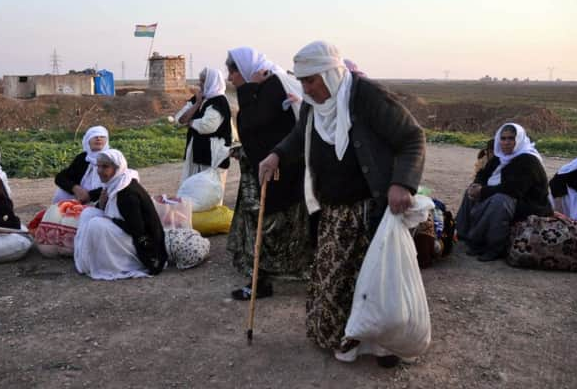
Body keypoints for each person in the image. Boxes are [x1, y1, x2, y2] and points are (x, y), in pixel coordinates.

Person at [258, 40, 426, 367]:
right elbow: (299, 136)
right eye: (302, 80)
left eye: (311, 80)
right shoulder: (312, 103)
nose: (305, 88)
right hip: (334, 210)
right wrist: (276, 154)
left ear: (331, 75)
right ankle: (348, 338)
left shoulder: (366, 97)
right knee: (334, 279)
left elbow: (411, 137)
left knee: (376, 281)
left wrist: (401, 182)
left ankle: (383, 344)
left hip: (370, 208)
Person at [225, 46, 312, 300]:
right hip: (265, 170)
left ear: (243, 69)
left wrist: (248, 89)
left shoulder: (271, 85)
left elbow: (250, 123)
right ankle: (260, 278)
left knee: (271, 226)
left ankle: (265, 279)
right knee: (259, 225)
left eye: (233, 72)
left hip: (281, 172)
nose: (230, 78)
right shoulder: (263, 86)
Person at [456, 123, 553, 261]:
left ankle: (493, 247)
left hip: (530, 204)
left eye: (511, 138)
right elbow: (483, 174)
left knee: (500, 200)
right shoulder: (499, 157)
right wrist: (476, 185)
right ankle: (463, 234)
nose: (506, 142)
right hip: (508, 196)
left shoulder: (528, 160)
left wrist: (483, 191)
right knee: (470, 191)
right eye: (503, 138)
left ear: (519, 139)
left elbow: (514, 189)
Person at [74, 149, 167, 280]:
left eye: (105, 167)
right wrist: (102, 205)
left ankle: (110, 265)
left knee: (96, 224)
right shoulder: (114, 184)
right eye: (98, 166)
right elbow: (114, 210)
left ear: (117, 168)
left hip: (143, 243)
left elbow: (137, 229)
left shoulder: (127, 193)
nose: (99, 171)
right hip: (127, 232)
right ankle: (88, 261)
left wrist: (109, 219)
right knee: (88, 213)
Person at [175, 67, 232, 185]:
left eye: (203, 81)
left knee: (209, 191)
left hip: (213, 155)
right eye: (200, 80)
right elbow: (180, 119)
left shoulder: (219, 101)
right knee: (193, 189)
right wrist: (197, 104)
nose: (199, 84)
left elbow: (207, 126)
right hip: (196, 153)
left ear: (211, 81)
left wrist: (190, 122)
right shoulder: (198, 99)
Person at [52, 125, 109, 204]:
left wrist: (90, 195)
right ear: (87, 140)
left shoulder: (112, 158)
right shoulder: (83, 158)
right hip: (81, 195)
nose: (98, 138)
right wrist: (76, 188)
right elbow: (60, 177)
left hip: (102, 195)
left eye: (102, 136)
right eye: (94, 136)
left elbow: (116, 183)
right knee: (61, 193)